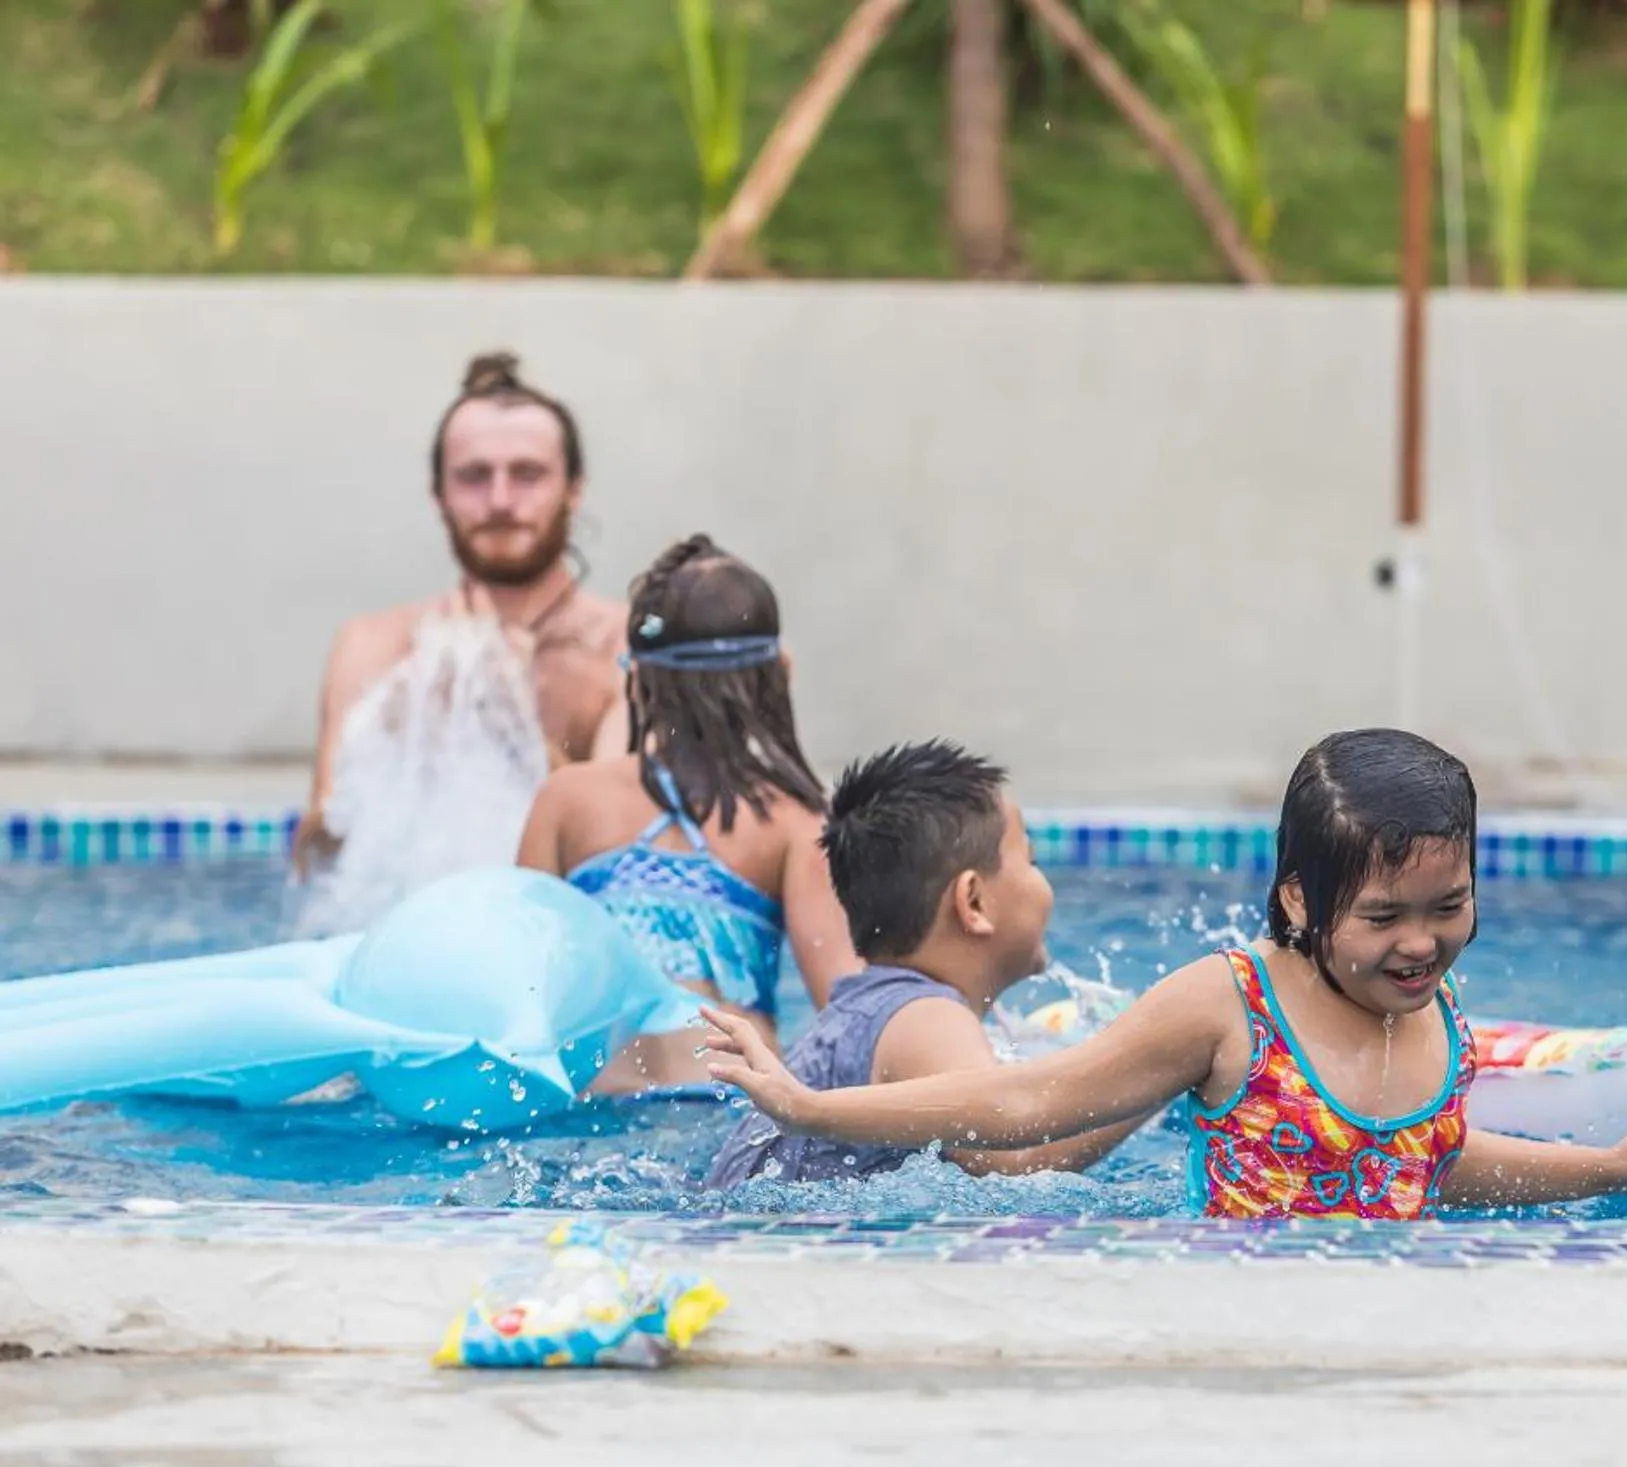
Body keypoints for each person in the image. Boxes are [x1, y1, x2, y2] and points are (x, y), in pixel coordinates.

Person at [702, 729, 1627, 1217]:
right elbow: (1022, 1101)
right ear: (1297, 906)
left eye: (1446, 908)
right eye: (1382, 916)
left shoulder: (1432, 1006)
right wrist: (807, 1109)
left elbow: (1432, 1159)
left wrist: (1609, 1166)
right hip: (1237, 1327)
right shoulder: (1228, 1002)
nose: (1419, 941)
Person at [704, 740, 1152, 1189]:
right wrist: (1162, 1065)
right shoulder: (927, 1017)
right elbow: (1016, 1156)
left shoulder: (877, 1009)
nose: (1043, 881)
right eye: (1031, 861)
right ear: (973, 901)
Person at [291, 352, 627, 933]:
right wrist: (407, 741)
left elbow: (622, 860)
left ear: (574, 490)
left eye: (527, 474)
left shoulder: (624, 650)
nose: (500, 500)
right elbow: (320, 862)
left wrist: (507, 711)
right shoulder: (373, 648)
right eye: (474, 476)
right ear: (438, 495)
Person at [516, 534, 858, 1092]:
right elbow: (849, 1012)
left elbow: (519, 989)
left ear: (635, 678)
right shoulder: (793, 820)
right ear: (779, 674)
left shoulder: (565, 800)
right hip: (734, 1108)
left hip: (592, 1107)